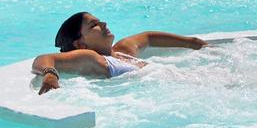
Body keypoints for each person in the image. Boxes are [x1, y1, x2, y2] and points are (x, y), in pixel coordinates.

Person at [32, 12, 207, 94]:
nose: (104, 24)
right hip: (174, 91)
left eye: (100, 21)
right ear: (80, 44)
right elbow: (45, 58)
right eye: (94, 25)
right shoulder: (91, 58)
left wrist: (191, 42)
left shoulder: (121, 50)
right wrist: (50, 73)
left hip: (184, 84)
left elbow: (149, 37)